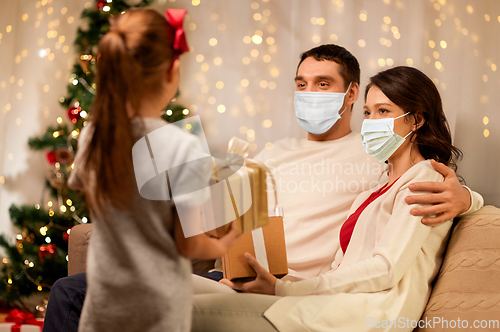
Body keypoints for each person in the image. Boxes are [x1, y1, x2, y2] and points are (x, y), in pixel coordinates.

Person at [43, 44, 482, 330]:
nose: (309, 94)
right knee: (77, 289)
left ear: (350, 95)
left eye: (323, 84)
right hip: (236, 274)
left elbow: (424, 187)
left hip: (299, 287)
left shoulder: (375, 155)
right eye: (301, 85)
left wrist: (466, 198)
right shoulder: (272, 152)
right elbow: (215, 219)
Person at [191, 66, 467, 332]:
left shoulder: (426, 181)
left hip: (365, 314)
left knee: (183, 309)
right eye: (368, 113)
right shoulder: (373, 191)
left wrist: (467, 198)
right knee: (169, 288)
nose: (372, 122)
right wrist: (273, 283)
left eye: (384, 111)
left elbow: (385, 270)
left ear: (416, 119)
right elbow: (338, 270)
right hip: (321, 300)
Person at [42, 9, 239, 332]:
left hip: (103, 301)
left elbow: (90, 191)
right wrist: (221, 244)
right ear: (171, 71)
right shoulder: (181, 145)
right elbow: (189, 244)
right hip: (156, 308)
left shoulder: (94, 135)